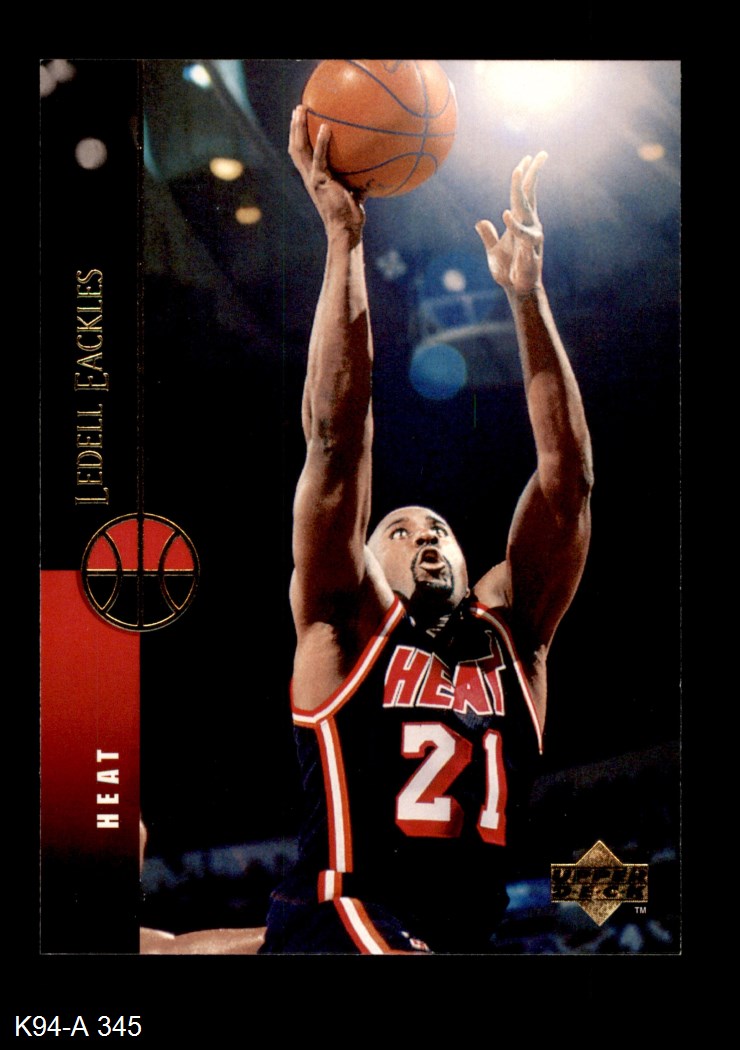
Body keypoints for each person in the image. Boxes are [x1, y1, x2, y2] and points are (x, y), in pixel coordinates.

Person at [260, 106, 593, 954]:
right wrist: (344, 241)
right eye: (400, 532)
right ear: (366, 564)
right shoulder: (346, 624)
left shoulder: (513, 636)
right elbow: (335, 442)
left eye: (437, 527)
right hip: (344, 921)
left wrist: (527, 297)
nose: (426, 536)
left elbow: (567, 478)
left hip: (461, 937)